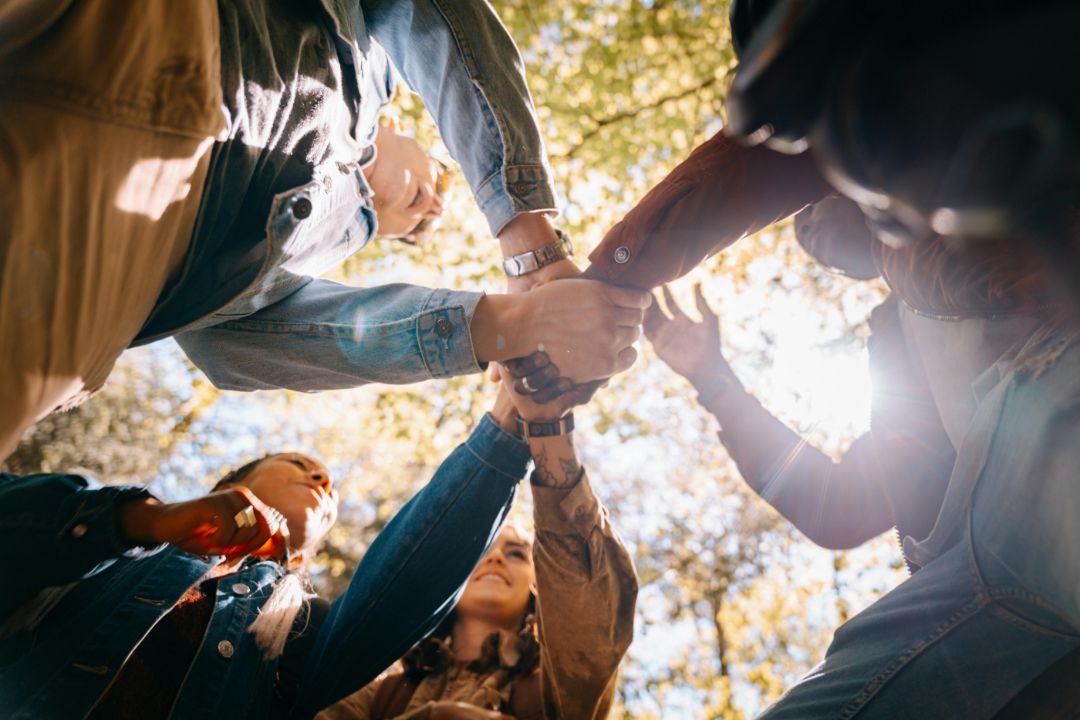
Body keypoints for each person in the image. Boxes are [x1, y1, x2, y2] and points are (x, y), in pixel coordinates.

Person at [0, 0, 651, 461]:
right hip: (170, 32)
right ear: (408, 129)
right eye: (442, 181)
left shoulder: (291, 266)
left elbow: (225, 351)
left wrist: (515, 327)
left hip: (89, 281)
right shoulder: (373, 61)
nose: (433, 208)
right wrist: (530, 245)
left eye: (409, 229)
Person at [0, 384, 539, 719]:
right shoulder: (118, 539)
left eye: (328, 491)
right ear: (233, 481)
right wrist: (147, 520)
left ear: (306, 558)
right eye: (299, 464)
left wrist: (506, 426)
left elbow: (401, 590)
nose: (321, 477)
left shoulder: (307, 630)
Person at [644, 199, 955, 569]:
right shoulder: (896, 337)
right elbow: (838, 507)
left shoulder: (965, 210)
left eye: (810, 206)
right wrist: (710, 376)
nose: (803, 227)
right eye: (804, 240)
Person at [320, 370, 638, 720]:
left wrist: (549, 429)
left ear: (538, 590)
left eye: (517, 553)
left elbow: (588, 609)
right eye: (482, 551)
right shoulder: (376, 694)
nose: (496, 558)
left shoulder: (556, 693)